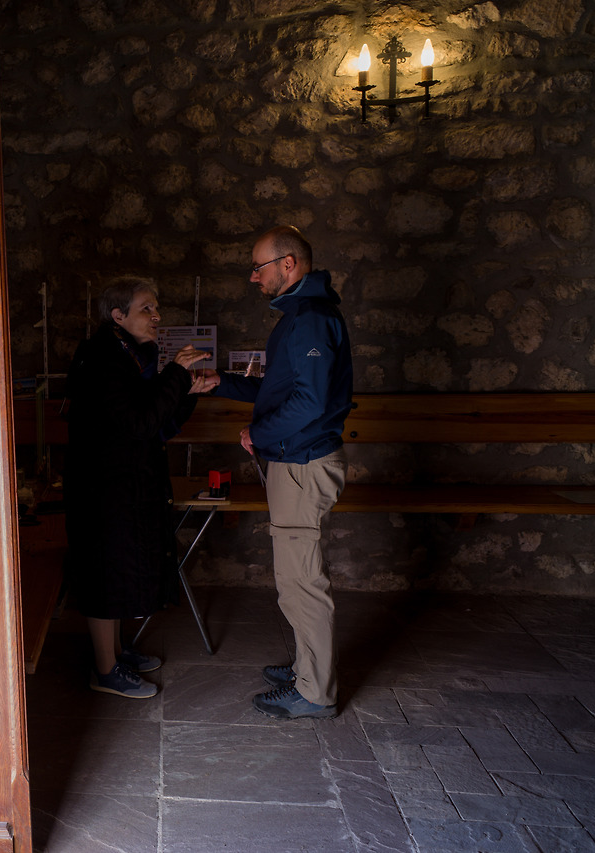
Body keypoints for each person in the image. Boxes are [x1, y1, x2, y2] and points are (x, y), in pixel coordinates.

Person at [201, 225, 353, 719]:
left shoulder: (310, 318)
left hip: (302, 464)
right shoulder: (302, 315)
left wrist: (259, 434)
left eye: (258, 267)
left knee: (301, 583)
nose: (253, 277)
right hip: (298, 460)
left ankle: (315, 692)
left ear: (289, 264)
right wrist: (221, 383)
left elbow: (309, 403)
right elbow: (281, 390)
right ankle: (309, 670)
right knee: (297, 579)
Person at [63, 276, 218, 699]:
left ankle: (113, 654)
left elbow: (156, 420)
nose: (157, 316)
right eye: (146, 308)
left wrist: (188, 390)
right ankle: (105, 671)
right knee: (105, 574)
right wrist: (177, 373)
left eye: (155, 307)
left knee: (115, 570)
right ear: (118, 315)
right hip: (102, 488)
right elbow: (140, 423)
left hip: (120, 484)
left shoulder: (125, 353)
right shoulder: (102, 358)